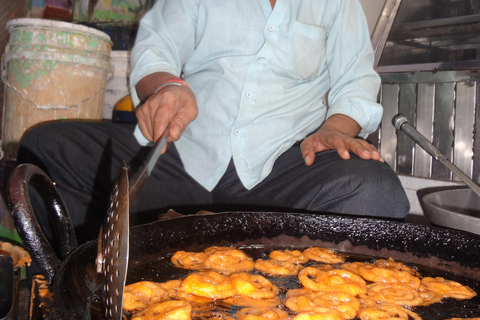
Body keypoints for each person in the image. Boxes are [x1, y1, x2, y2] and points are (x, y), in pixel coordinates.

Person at [17, 0, 410, 244]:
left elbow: (356, 79)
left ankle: (282, 289)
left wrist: (337, 129)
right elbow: (157, 47)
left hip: (284, 167)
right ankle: (95, 272)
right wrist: (168, 87)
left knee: (375, 192)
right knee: (44, 150)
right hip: (184, 154)